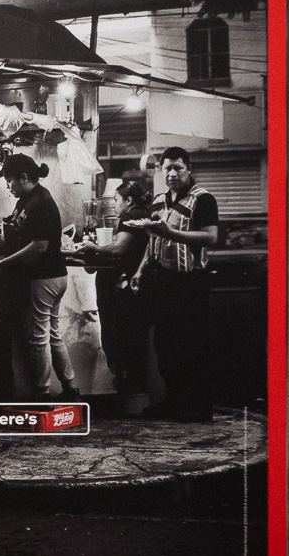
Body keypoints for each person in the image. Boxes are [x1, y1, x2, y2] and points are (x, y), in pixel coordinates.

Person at [0, 154, 79, 400]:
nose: (8, 186)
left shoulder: (40, 202)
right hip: (52, 276)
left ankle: (42, 394)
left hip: (45, 277)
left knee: (39, 337)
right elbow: (10, 236)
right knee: (51, 334)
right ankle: (71, 389)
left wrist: (0, 264)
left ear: (24, 178)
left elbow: (39, 246)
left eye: (9, 181)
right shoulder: (26, 201)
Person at [124, 146, 220, 421]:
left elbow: (211, 237)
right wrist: (140, 270)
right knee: (165, 343)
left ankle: (200, 408)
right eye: (167, 168)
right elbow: (153, 240)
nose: (172, 173)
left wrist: (172, 233)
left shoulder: (203, 199)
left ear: (189, 169)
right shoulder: (158, 201)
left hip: (191, 281)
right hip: (164, 281)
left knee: (192, 344)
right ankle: (174, 401)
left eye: (178, 167)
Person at [74, 170, 154, 401]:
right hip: (136, 284)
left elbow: (119, 248)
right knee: (132, 337)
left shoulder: (131, 216)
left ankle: (125, 386)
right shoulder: (142, 213)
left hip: (126, 285)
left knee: (118, 335)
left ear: (128, 200)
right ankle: (132, 388)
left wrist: (93, 247)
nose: (115, 205)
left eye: (117, 200)